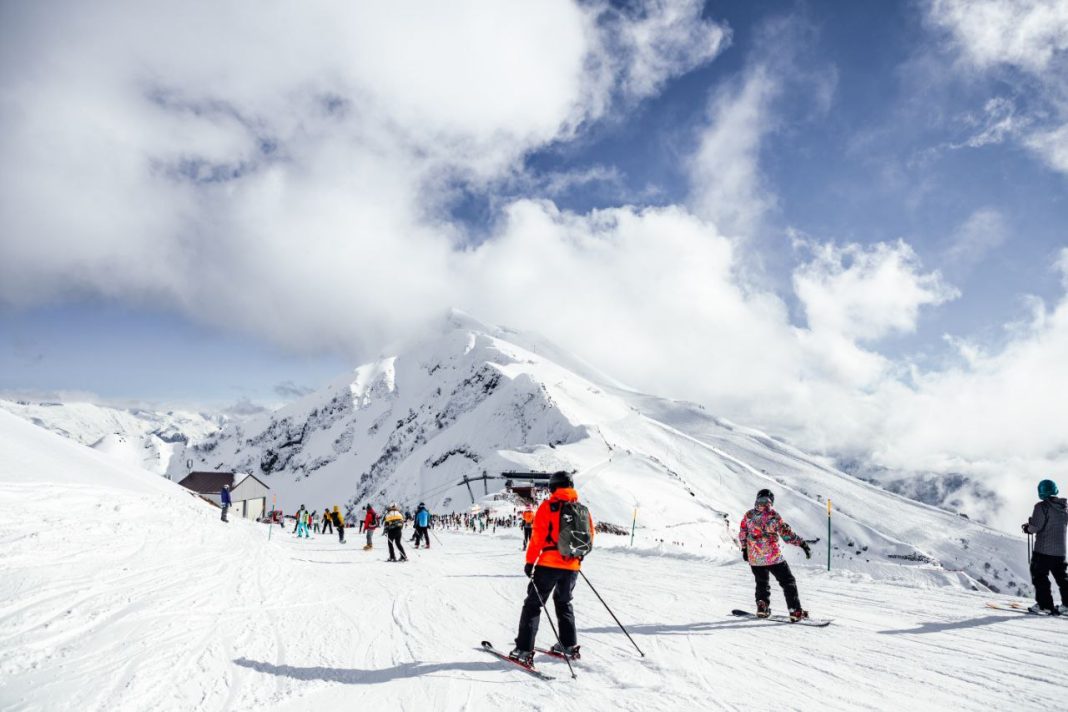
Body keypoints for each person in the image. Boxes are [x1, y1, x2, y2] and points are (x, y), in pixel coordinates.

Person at [509, 471, 593, 665]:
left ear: (553, 487)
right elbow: (590, 537)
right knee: (564, 603)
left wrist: (530, 562)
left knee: (533, 605)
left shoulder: (548, 507)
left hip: (548, 564)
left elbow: (537, 537)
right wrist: (575, 559)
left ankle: (523, 649)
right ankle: (568, 645)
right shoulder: (582, 509)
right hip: (572, 565)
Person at [738, 488, 811, 622]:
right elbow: (787, 535)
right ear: (771, 501)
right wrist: (802, 544)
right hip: (772, 556)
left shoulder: (749, 515)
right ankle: (795, 611)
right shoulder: (773, 516)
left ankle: (762, 607)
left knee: (761, 582)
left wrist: (744, 550)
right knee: (788, 581)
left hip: (755, 557)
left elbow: (743, 533)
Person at [1022, 479, 1068, 615]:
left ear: (1041, 492)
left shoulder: (1041, 507)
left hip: (1043, 550)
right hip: (1060, 551)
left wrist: (1027, 528)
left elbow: (1036, 527)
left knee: (1040, 576)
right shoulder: (1064, 507)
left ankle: (1045, 606)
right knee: (1062, 578)